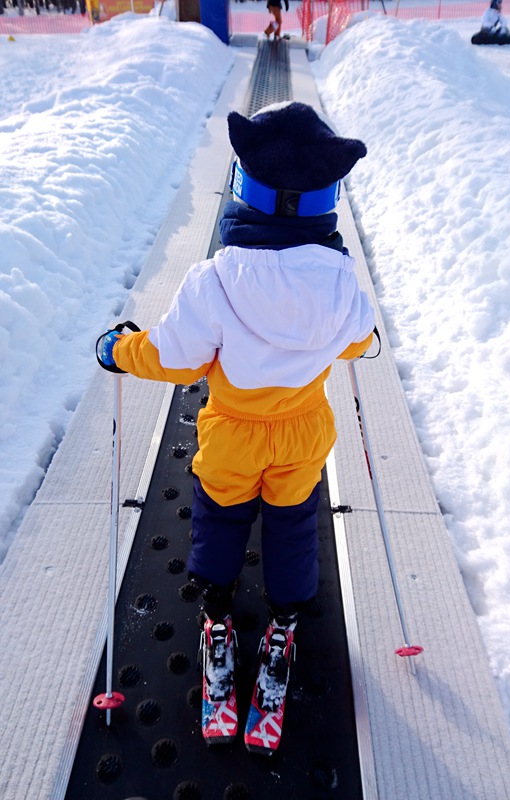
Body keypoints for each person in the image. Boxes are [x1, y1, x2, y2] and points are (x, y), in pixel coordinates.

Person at [96, 101, 375, 753]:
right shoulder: (338, 279)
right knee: (291, 524)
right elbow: (358, 339)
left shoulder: (216, 279)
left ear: (244, 187)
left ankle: (217, 620)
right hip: (302, 436)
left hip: (231, 438)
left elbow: (173, 355)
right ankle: (283, 627)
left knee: (220, 520)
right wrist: (363, 345)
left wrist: (121, 349)